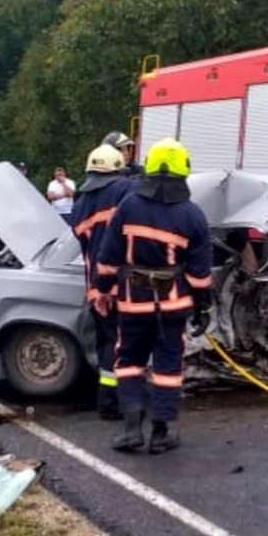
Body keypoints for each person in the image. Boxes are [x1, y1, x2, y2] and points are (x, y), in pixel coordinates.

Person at [94, 139, 213, 454]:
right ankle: (161, 433)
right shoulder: (193, 215)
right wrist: (203, 309)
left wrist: (102, 291)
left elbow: (108, 258)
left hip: (133, 303)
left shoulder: (129, 206)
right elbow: (200, 275)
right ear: (183, 172)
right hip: (173, 307)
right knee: (168, 366)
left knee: (129, 361)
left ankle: (131, 429)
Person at [69, 144, 135, 421]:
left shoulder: (82, 199)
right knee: (121, 344)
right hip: (120, 283)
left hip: (95, 284)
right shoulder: (123, 190)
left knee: (106, 341)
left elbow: (79, 235)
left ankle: (106, 396)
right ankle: (112, 403)